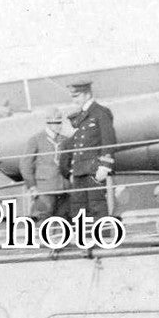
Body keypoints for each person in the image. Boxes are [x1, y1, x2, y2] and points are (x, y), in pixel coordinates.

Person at [58, 81, 116, 219]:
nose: (74, 100)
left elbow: (109, 140)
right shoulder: (83, 115)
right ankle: (83, 238)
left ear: (87, 94)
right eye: (73, 97)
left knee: (97, 205)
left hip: (93, 169)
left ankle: (101, 237)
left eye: (77, 96)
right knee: (78, 208)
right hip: (79, 170)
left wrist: (105, 166)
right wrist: (71, 170)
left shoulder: (100, 112)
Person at [20, 107, 70, 222]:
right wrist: (32, 186)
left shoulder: (65, 140)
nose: (59, 126)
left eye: (60, 122)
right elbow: (25, 165)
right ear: (48, 123)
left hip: (63, 187)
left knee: (63, 220)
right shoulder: (36, 140)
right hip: (44, 188)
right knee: (42, 218)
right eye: (55, 123)